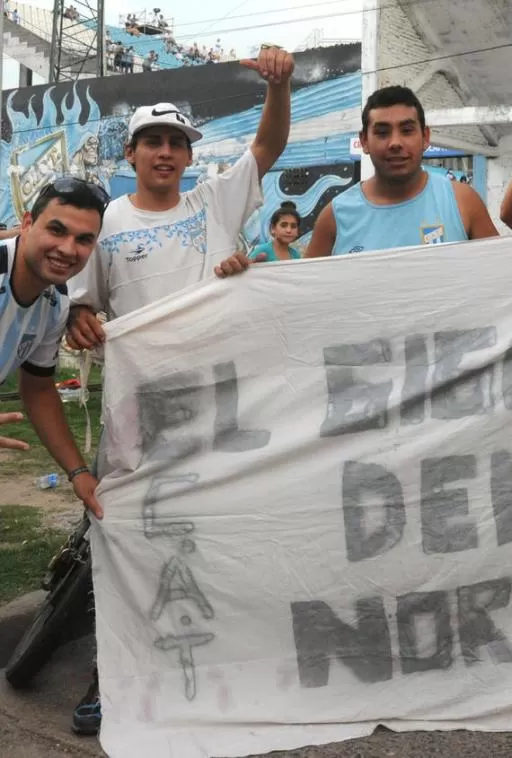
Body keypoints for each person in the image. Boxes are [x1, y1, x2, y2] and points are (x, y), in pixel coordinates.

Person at [65, 44, 296, 737]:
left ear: (189, 156)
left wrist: (280, 88)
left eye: (175, 142)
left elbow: (269, 143)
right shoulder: (105, 225)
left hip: (222, 408)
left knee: (223, 532)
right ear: (131, 155)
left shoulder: (216, 199)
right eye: (151, 142)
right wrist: (80, 316)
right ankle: (113, 674)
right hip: (137, 414)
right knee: (127, 538)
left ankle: (223, 666)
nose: (164, 152)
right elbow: (83, 305)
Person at [0, 178, 106, 518]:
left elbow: (38, 388)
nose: (68, 249)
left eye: (84, 239)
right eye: (57, 230)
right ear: (27, 224)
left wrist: (78, 472)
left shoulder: (57, 302)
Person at [304, 85, 498, 257]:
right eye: (382, 133)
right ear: (364, 141)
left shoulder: (462, 201)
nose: (395, 143)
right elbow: (305, 290)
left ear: (425, 136)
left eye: (406, 130)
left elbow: (501, 278)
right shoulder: (335, 216)